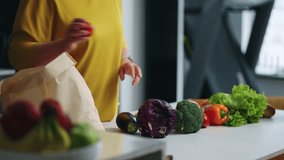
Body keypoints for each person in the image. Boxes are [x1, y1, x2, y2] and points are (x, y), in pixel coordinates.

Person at [8, 0, 142, 122]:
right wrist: (63, 45)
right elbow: (17, 55)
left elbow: (116, 37)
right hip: (57, 125)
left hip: (105, 121)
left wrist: (124, 60)